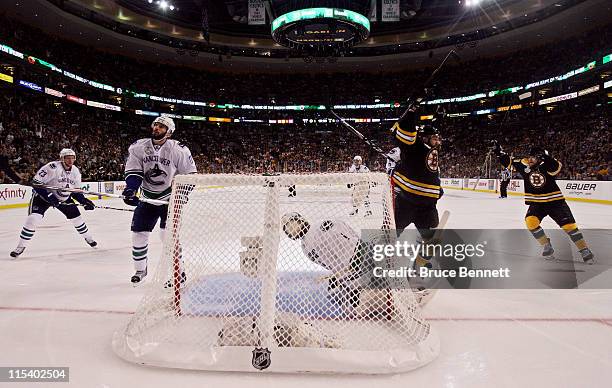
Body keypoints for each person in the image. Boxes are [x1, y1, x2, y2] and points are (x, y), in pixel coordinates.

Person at [122, 116, 197, 284]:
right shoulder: (139, 146)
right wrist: (131, 189)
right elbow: (134, 171)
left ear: (169, 132)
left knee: (167, 236)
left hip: (169, 198)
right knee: (138, 234)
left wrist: (181, 196)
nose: (157, 128)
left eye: (161, 126)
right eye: (155, 124)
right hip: (147, 197)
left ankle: (180, 273)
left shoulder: (179, 150)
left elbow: (190, 175)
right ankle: (140, 269)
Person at [493, 142, 594, 263]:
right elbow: (508, 162)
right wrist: (498, 152)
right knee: (530, 222)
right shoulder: (523, 163)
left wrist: (545, 157)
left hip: (555, 202)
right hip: (537, 202)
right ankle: (546, 244)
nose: (530, 159)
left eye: (533, 157)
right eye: (530, 156)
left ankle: (584, 249)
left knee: (569, 227)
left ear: (540, 158)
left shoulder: (547, 164)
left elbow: (556, 167)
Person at [10, 148, 97, 258]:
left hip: (64, 198)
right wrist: (51, 197)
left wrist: (84, 201)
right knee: (32, 220)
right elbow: (36, 184)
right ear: (62, 159)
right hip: (42, 198)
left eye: (72, 158)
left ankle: (88, 238)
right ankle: (20, 246)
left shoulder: (75, 171)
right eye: (67, 158)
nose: (70, 160)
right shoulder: (52, 167)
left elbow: (75, 191)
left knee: (77, 219)